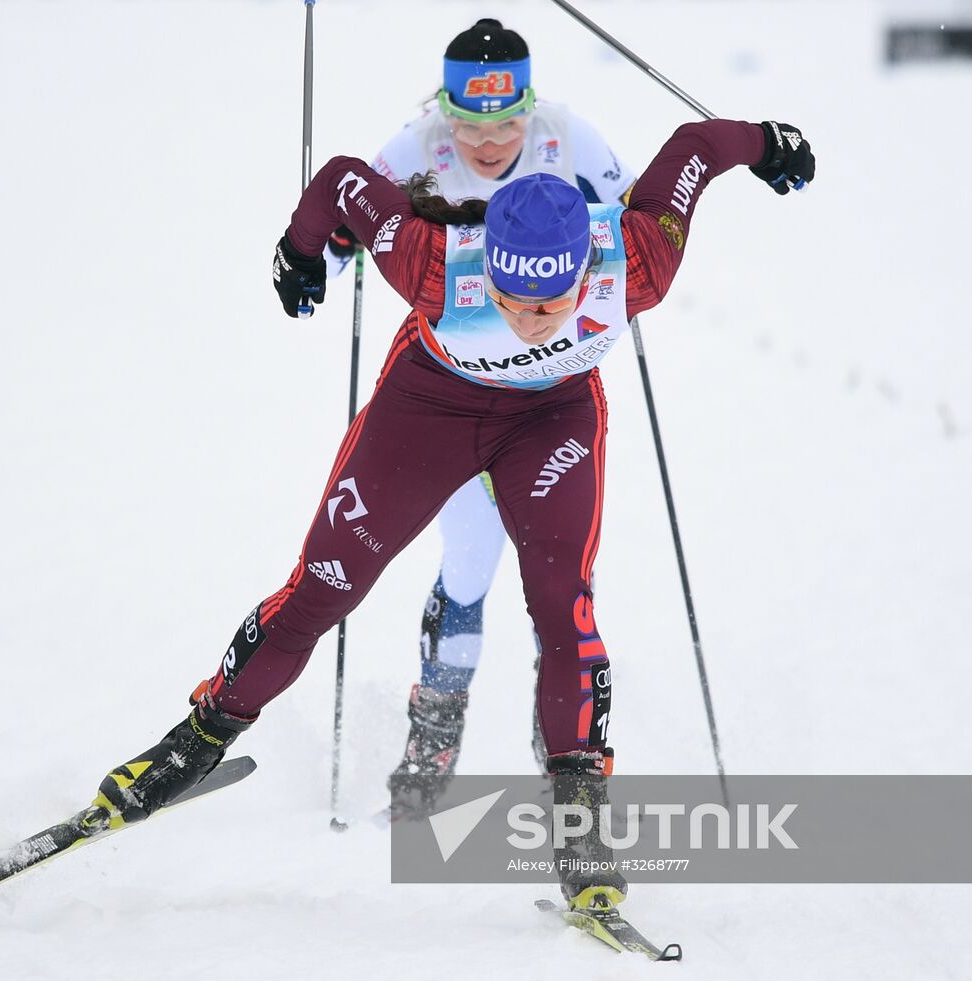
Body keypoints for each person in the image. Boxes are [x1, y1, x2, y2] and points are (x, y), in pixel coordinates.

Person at [94, 116, 814, 911]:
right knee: (324, 588)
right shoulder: (432, 262)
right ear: (489, 271)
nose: (531, 320)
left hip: (551, 419)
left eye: (553, 302)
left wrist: (768, 142)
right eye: (511, 299)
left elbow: (697, 150)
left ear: (588, 268)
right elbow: (341, 178)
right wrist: (300, 251)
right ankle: (196, 740)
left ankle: (579, 814)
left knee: (563, 607)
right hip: (428, 412)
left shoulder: (639, 256)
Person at [323, 18, 638, 803]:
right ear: (444, 110)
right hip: (453, 398)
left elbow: (633, 225)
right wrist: (322, 259)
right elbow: (346, 217)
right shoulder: (413, 149)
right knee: (469, 568)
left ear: (531, 106)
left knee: (556, 588)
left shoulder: (570, 139)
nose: (489, 142)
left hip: (548, 393)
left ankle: (563, 753)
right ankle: (433, 737)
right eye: (469, 122)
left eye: (507, 122)